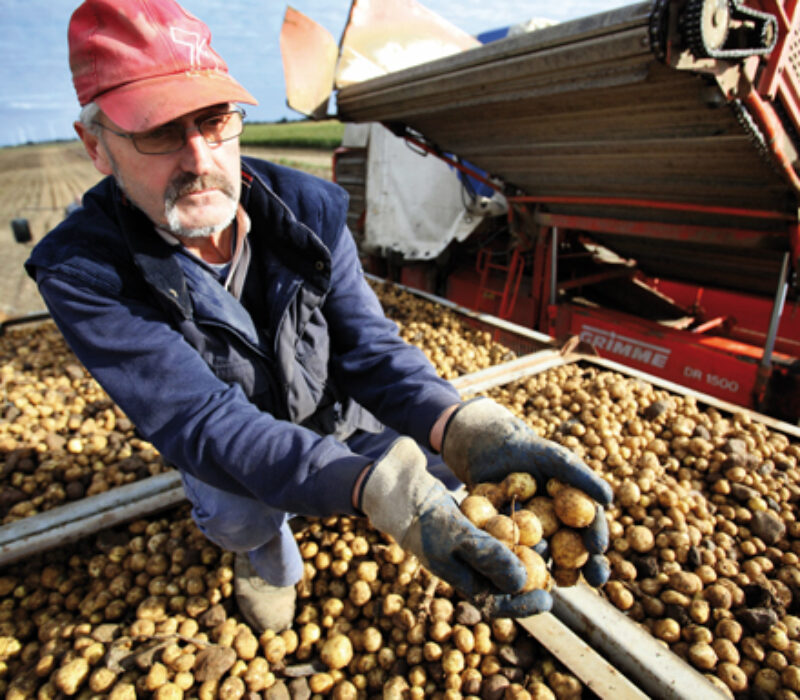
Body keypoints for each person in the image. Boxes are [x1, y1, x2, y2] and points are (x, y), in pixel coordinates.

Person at [26, 0, 613, 633]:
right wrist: (377, 491)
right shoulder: (85, 271)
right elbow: (203, 421)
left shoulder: (308, 210)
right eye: (159, 131)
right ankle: (265, 559)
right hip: (232, 452)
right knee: (236, 512)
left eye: (215, 119)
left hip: (336, 416)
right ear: (97, 146)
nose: (199, 157)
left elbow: (370, 351)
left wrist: (466, 426)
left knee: (440, 466)